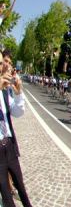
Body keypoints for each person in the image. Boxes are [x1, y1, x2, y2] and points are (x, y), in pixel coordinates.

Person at [0, 51, 32, 206]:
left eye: (3, 62)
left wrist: (19, 94)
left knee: (21, 188)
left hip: (9, 144)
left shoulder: (5, 88)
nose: (5, 65)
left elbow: (17, 112)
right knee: (6, 196)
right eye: (1, 62)